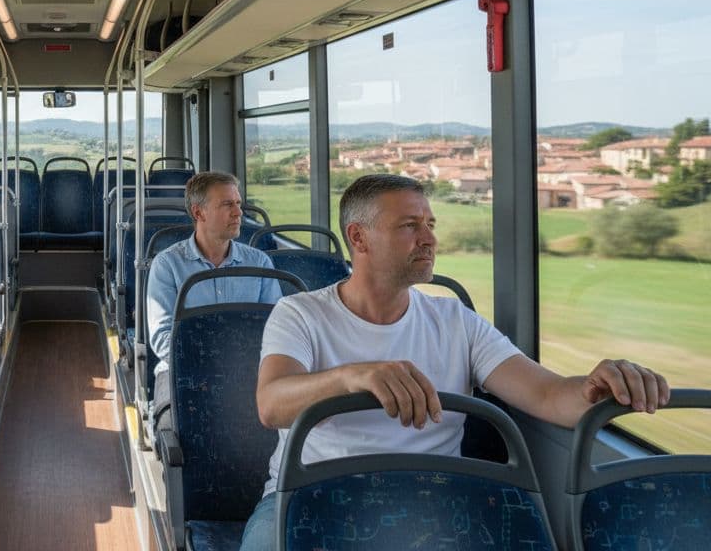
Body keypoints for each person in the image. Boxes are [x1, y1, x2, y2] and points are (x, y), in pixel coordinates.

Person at [240, 174, 670, 550]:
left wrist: (596, 387)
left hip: (434, 498)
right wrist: (355, 375)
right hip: (308, 495)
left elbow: (546, 393)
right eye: (410, 226)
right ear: (358, 237)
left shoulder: (456, 322)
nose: (429, 239)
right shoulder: (300, 314)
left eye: (430, 224)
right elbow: (272, 403)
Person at [145, 171, 282, 431]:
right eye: (227, 204)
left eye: (239, 204)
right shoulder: (168, 265)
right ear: (199, 213)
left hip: (248, 373)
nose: (238, 212)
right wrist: (214, 368)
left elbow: (274, 328)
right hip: (182, 371)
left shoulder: (259, 263)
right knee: (175, 428)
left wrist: (240, 370)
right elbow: (163, 338)